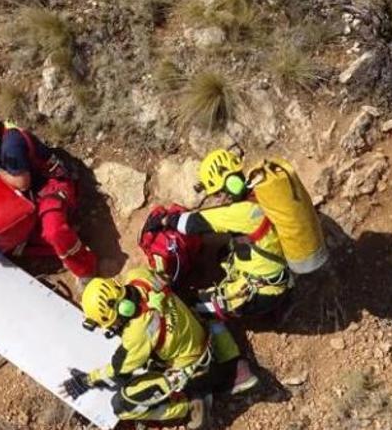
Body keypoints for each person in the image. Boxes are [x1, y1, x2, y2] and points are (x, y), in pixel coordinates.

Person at [61, 268, 258, 429]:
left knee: (122, 405)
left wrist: (87, 380)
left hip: (196, 370)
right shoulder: (138, 276)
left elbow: (117, 369)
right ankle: (230, 358)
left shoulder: (137, 335)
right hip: (203, 336)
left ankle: (188, 406)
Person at [0, 108, 98, 281]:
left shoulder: (11, 146)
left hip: (53, 186)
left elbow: (22, 182)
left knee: (53, 231)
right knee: (11, 239)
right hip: (33, 190)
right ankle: (67, 237)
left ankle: (85, 267)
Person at [163, 149, 292, 320]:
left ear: (229, 186)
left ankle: (261, 314)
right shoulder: (259, 191)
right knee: (225, 253)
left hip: (263, 292)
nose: (219, 199)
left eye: (217, 193)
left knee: (193, 306)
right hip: (280, 272)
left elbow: (190, 224)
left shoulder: (240, 213)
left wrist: (166, 220)